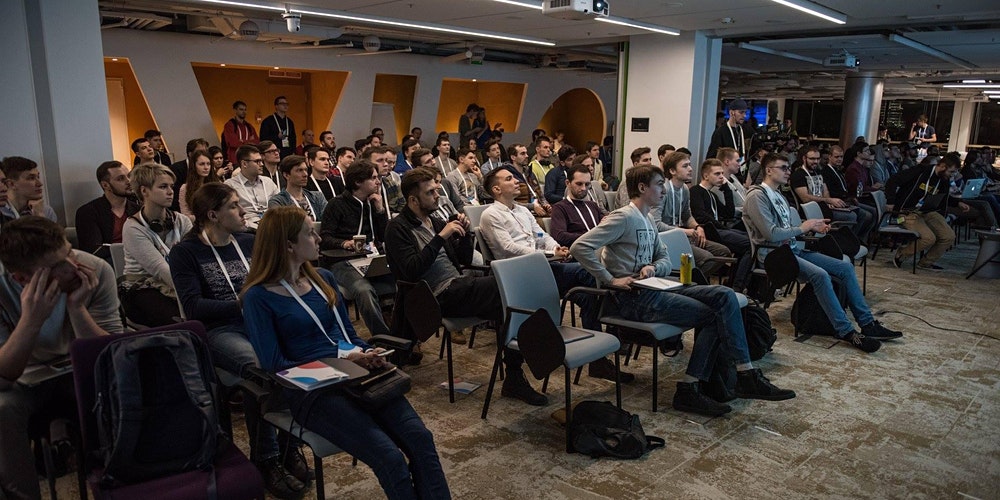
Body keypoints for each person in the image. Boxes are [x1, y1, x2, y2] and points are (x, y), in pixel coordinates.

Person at [242, 206, 450, 499]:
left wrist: (367, 351)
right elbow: (276, 365)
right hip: (313, 391)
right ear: (288, 245)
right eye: (310, 233)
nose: (318, 238)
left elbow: (348, 337)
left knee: (421, 439)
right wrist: (342, 360)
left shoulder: (323, 278)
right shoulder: (258, 298)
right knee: (389, 457)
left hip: (359, 375)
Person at [571, 165, 795, 417]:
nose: (664, 190)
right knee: (714, 315)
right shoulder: (623, 217)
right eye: (659, 184)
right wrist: (610, 279)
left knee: (724, 295)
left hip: (653, 288)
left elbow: (665, 259)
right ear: (642, 188)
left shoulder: (647, 218)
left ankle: (744, 372)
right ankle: (693, 387)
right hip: (630, 298)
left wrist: (653, 267)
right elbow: (580, 247)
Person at [168, 183, 307, 498]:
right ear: (213, 215)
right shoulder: (186, 252)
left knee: (298, 353)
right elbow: (193, 307)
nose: (243, 211)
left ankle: (289, 445)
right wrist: (243, 304)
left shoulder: (248, 241)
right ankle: (266, 458)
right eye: (233, 206)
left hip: (259, 322)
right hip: (220, 330)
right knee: (261, 368)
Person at [0, 217, 122, 500]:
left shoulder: (94, 270)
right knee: (2, 407)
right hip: (26, 379)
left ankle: (121, 483)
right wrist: (31, 321)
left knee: (119, 384)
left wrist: (77, 309)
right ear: (22, 278)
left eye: (69, 251)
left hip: (80, 369)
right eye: (59, 265)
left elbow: (111, 356)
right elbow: (4, 378)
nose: (73, 265)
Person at [480, 168, 630, 383]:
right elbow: (508, 248)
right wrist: (549, 254)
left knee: (590, 296)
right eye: (509, 179)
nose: (516, 181)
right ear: (496, 189)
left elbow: (542, 236)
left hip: (543, 269)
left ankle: (599, 361)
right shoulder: (491, 214)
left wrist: (555, 248)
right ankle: (625, 321)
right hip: (519, 276)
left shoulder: (522, 211)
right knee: (588, 271)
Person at [743, 153, 903, 353]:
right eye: (783, 168)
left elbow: (788, 230)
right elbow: (771, 234)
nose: (788, 172)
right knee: (820, 275)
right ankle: (845, 331)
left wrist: (812, 227)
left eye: (788, 167)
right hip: (773, 255)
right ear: (768, 170)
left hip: (791, 250)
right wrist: (803, 227)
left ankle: (868, 323)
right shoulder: (757, 196)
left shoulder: (779, 196)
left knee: (844, 267)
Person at [319, 160, 394, 336]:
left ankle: (403, 332)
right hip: (342, 261)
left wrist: (380, 210)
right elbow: (324, 238)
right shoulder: (336, 204)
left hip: (372, 258)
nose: (378, 182)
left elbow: (384, 236)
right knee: (364, 290)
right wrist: (344, 243)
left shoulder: (373, 203)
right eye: (373, 178)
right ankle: (384, 338)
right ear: (358, 182)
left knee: (403, 282)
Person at [120, 163, 191, 326]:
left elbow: (195, 257)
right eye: (163, 187)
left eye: (171, 186)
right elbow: (161, 270)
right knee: (182, 323)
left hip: (178, 283)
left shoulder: (182, 220)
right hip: (143, 288)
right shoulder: (132, 227)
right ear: (144, 191)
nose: (170, 191)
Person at [652, 152, 733, 277]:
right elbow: (656, 224)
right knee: (707, 258)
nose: (690, 169)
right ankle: (685, 280)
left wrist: (697, 227)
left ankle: (689, 278)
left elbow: (687, 216)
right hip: (665, 238)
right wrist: (686, 231)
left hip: (681, 234)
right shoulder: (664, 190)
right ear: (672, 171)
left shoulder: (684, 189)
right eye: (685, 166)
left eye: (689, 165)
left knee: (723, 252)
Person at [884, 152, 960, 270]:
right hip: (906, 211)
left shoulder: (943, 179)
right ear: (942, 166)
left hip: (927, 211)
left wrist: (958, 203)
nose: (952, 175)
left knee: (948, 236)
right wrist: (890, 200)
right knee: (928, 238)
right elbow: (893, 180)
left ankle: (926, 262)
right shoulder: (920, 171)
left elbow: (943, 198)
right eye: (951, 172)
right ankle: (902, 254)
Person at [690, 159, 752, 291]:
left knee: (751, 239)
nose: (721, 177)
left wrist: (727, 190)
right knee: (748, 244)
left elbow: (728, 213)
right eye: (717, 174)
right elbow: (701, 216)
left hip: (718, 229)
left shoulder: (712, 194)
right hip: (709, 231)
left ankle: (733, 282)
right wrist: (722, 228)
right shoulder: (696, 191)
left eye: (722, 173)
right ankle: (737, 286)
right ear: (706, 176)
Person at [75, 161, 140, 257]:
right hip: (108, 262)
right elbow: (94, 251)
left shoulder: (138, 209)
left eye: (129, 176)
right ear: (105, 185)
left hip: (139, 259)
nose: (129, 181)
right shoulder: (88, 212)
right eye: (121, 179)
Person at [225, 144, 279, 231]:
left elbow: (280, 205)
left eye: (261, 161)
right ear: (244, 164)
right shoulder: (230, 186)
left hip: (272, 224)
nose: (262, 164)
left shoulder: (268, 182)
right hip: (247, 228)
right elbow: (229, 214)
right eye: (257, 161)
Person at [549, 164, 604, 247]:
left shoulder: (593, 205)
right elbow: (559, 236)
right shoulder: (560, 208)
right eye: (579, 184)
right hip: (578, 250)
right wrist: (591, 237)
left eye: (587, 184)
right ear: (568, 183)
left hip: (600, 247)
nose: (584, 188)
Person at [267, 155, 327, 221]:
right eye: (299, 170)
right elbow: (282, 225)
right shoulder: (277, 202)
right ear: (286, 175)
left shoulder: (317, 197)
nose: (305, 174)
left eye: (306, 170)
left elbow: (328, 221)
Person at [0, 156, 57, 222]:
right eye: (31, 178)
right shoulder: (1, 209)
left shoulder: (46, 211)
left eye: (38, 177)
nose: (40, 183)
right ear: (11, 184)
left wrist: (39, 216)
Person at [168, 138, 210, 212]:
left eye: (206, 151)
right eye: (200, 151)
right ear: (190, 154)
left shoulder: (209, 169)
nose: (203, 154)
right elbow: (174, 197)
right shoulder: (175, 169)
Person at [179, 150, 221, 220]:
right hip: (197, 223)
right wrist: (205, 218)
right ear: (194, 166)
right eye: (202, 164)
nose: (206, 167)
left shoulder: (217, 184)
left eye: (208, 164)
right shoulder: (185, 188)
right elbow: (186, 215)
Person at [222, 100, 259, 164]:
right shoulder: (229, 125)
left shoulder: (249, 126)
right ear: (235, 110)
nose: (244, 112)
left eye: (245, 110)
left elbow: (257, 142)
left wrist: (242, 141)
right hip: (235, 160)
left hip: (249, 159)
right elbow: (233, 143)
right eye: (241, 109)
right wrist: (249, 141)